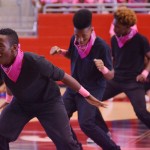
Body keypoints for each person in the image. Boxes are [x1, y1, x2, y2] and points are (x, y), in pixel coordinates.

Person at [0, 28, 107, 150]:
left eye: (0, 47)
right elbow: (8, 78)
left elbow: (64, 77)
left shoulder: (35, 61)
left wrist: (87, 95)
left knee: (66, 143)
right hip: (22, 104)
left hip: (48, 103)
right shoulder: (3, 63)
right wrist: (8, 99)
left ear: (14, 48)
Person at [50, 9, 121, 150]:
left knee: (86, 123)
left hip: (93, 88)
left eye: (84, 35)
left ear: (92, 30)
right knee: (58, 116)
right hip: (75, 85)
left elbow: (111, 75)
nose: (80, 39)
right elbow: (72, 55)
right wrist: (60, 51)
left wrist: (103, 68)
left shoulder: (101, 46)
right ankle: (75, 147)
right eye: (77, 35)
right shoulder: (74, 39)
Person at [94, 7, 150, 130]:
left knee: (141, 112)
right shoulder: (114, 39)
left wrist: (145, 73)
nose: (114, 28)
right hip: (117, 80)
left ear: (127, 26)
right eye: (114, 25)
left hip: (133, 82)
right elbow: (115, 60)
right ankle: (103, 132)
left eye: (117, 26)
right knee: (91, 101)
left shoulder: (140, 40)